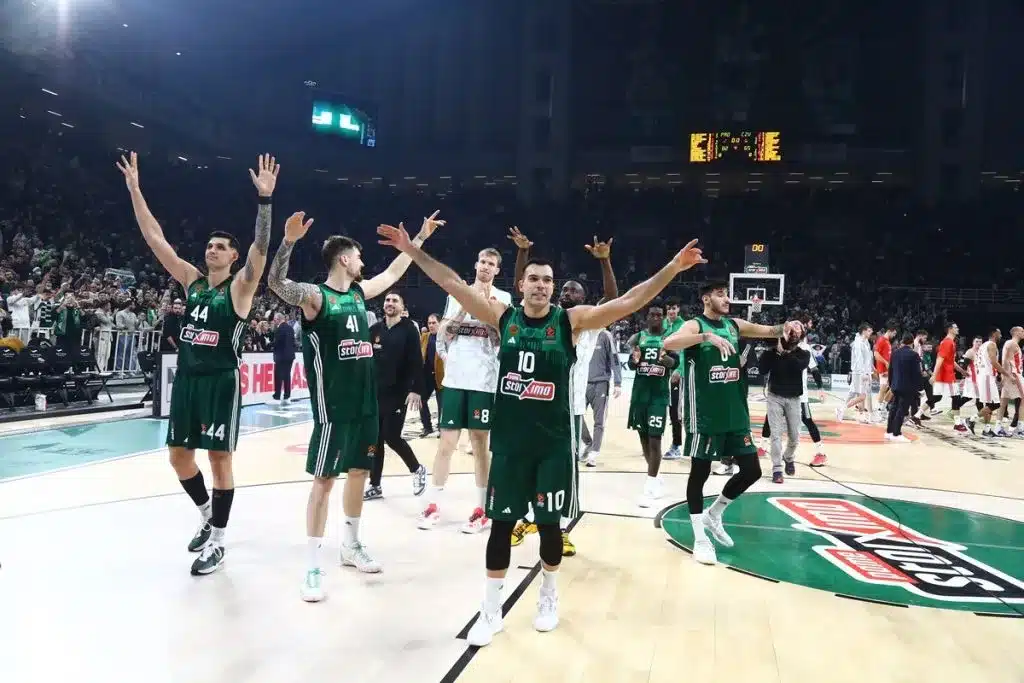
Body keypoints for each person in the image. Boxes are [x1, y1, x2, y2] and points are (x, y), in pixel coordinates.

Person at [377, 221, 707, 646]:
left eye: (548, 280)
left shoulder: (571, 322)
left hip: (553, 447)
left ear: (553, 288)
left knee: (550, 529)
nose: (541, 285)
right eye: (534, 278)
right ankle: (491, 608)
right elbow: (452, 282)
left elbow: (628, 300)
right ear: (520, 284)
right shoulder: (502, 316)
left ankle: (549, 593)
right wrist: (412, 249)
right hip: (510, 446)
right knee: (501, 527)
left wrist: (673, 268)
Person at [266, 210, 443, 602]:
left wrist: (419, 238)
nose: (363, 263)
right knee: (324, 482)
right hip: (334, 408)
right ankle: (313, 565)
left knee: (360, 473)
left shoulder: (359, 294)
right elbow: (276, 282)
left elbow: (393, 273)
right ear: (345, 259)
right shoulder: (316, 297)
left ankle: (350, 544)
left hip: (366, 403)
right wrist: (288, 241)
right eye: (359, 257)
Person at [117, 151, 279, 575]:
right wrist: (135, 190)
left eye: (221, 247)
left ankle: (220, 542)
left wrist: (265, 201)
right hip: (188, 380)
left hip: (221, 381)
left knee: (219, 460)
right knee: (178, 457)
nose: (212, 250)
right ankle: (207, 514)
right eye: (209, 245)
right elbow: (156, 239)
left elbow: (261, 250)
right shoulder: (192, 281)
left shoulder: (239, 289)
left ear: (233, 256)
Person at [662, 279, 802, 567]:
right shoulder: (695, 326)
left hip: (735, 412)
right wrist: (705, 338)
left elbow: (769, 331)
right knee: (699, 473)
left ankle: (715, 513)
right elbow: (669, 343)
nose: (727, 299)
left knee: (752, 470)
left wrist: (786, 327)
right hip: (705, 415)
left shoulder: (734, 325)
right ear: (706, 299)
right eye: (720, 294)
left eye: (727, 294)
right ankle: (700, 539)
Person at [507, 228, 620, 555]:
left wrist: (605, 261)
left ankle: (558, 528)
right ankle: (525, 518)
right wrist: (522, 253)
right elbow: (520, 288)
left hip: (567, 409)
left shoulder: (587, 323)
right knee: (526, 465)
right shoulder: (545, 317)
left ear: (583, 299)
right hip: (532, 403)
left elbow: (613, 300)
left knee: (563, 472)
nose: (569, 292)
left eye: (575, 290)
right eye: (566, 288)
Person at [418, 247, 511, 533]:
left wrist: (488, 310)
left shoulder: (504, 298)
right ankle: (433, 505)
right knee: (445, 444)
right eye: (482, 261)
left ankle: (482, 508)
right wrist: (464, 304)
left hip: (484, 382)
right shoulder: (455, 294)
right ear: (476, 264)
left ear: (497, 270)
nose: (485, 266)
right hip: (456, 380)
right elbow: (445, 334)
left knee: (480, 445)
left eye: (491, 263)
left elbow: (502, 340)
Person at [364, 290, 428, 499]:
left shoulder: (409, 329)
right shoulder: (374, 330)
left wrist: (416, 389)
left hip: (398, 393)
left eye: (395, 300)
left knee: (391, 436)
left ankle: (417, 469)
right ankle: (375, 484)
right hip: (375, 393)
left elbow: (416, 361)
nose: (390, 303)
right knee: (375, 440)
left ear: (402, 307)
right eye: (387, 300)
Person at [625, 301, 678, 506]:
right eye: (652, 315)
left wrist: (665, 360)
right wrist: (635, 360)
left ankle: (650, 486)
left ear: (663, 317)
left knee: (655, 439)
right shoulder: (638, 337)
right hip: (640, 396)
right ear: (647, 317)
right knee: (644, 438)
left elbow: (675, 363)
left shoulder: (669, 338)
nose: (655, 318)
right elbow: (631, 365)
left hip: (659, 396)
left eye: (659, 315)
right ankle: (655, 476)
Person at [757, 332, 811, 483]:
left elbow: (798, 366)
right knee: (775, 434)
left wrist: (784, 353)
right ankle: (777, 468)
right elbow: (762, 370)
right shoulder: (772, 353)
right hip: (775, 397)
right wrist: (771, 352)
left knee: (795, 436)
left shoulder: (803, 354)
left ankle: (788, 456)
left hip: (794, 398)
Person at [930, 322, 970, 434]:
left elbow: (951, 361)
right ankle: (957, 424)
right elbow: (940, 359)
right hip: (946, 376)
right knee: (956, 398)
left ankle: (916, 416)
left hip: (945, 375)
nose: (958, 329)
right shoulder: (948, 342)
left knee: (937, 397)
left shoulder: (950, 342)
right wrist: (934, 374)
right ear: (950, 329)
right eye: (956, 327)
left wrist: (962, 371)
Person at [661, 298, 685, 460]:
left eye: (674, 308)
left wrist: (679, 370)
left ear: (678, 309)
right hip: (660, 374)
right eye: (669, 308)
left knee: (675, 411)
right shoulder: (661, 324)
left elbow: (685, 351)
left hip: (676, 375)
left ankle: (676, 445)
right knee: (657, 407)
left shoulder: (684, 326)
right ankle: (653, 441)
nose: (671, 311)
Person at [836, 323, 875, 423]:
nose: (871, 332)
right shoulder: (858, 343)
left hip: (863, 372)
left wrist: (871, 368)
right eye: (869, 331)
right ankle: (842, 409)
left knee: (853, 393)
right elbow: (859, 360)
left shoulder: (866, 342)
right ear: (864, 331)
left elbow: (867, 358)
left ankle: (860, 414)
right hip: (859, 372)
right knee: (862, 396)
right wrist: (863, 373)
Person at [886, 332, 920, 442]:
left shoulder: (895, 353)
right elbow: (916, 373)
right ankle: (896, 433)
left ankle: (889, 431)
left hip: (895, 385)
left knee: (894, 408)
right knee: (902, 409)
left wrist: (891, 384)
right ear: (912, 342)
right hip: (908, 387)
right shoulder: (914, 355)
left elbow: (890, 370)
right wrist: (918, 388)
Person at [418, 314, 443, 436]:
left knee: (441, 403)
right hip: (426, 374)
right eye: (429, 323)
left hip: (441, 375)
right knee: (421, 400)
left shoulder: (445, 337)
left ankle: (442, 428)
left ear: (440, 323)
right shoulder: (424, 337)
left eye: (434, 323)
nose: (431, 325)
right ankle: (427, 427)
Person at [271, 312, 297, 404]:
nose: (274, 321)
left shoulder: (279, 329)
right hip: (290, 355)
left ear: (278, 319)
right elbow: (293, 342)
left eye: (275, 319)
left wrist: (269, 344)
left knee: (278, 376)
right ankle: (287, 396)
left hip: (281, 356)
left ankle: (277, 396)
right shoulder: (290, 328)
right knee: (287, 375)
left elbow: (277, 343)